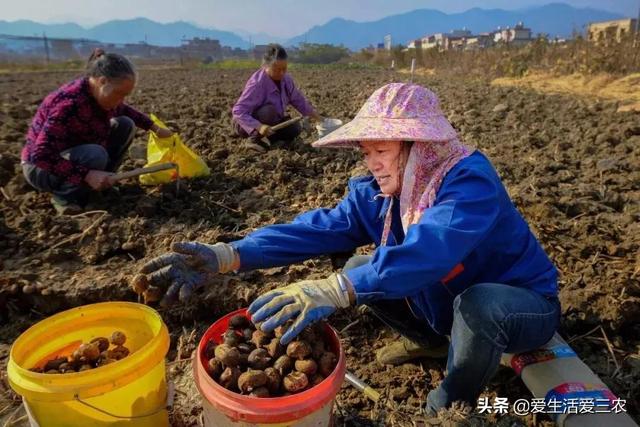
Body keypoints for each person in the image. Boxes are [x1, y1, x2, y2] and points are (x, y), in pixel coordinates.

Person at [139, 83, 560, 413]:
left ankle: (453, 400)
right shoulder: (380, 194)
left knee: (478, 303)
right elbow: (315, 229)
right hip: (445, 304)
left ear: (420, 148)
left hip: (521, 307)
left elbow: (432, 250)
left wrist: (335, 288)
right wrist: (229, 254)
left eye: (382, 150)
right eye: (366, 152)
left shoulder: (468, 182)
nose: (372, 163)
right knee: (364, 263)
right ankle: (433, 341)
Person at [21, 48, 173, 215]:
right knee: (95, 154)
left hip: (74, 155)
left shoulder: (98, 95)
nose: (121, 101)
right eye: (119, 94)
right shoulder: (69, 105)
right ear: (102, 81)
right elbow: (40, 155)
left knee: (125, 124)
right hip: (41, 169)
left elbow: (126, 111)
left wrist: (156, 128)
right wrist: (86, 175)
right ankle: (65, 196)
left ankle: (101, 182)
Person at [231, 43, 321, 152]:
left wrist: (319, 118)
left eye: (284, 69)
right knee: (269, 111)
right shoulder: (257, 84)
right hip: (246, 124)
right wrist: (259, 127)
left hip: (273, 121)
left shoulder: (286, 80)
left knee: (295, 129)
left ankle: (273, 141)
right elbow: (238, 111)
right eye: (277, 69)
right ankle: (252, 140)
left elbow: (298, 100)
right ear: (266, 66)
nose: (282, 73)